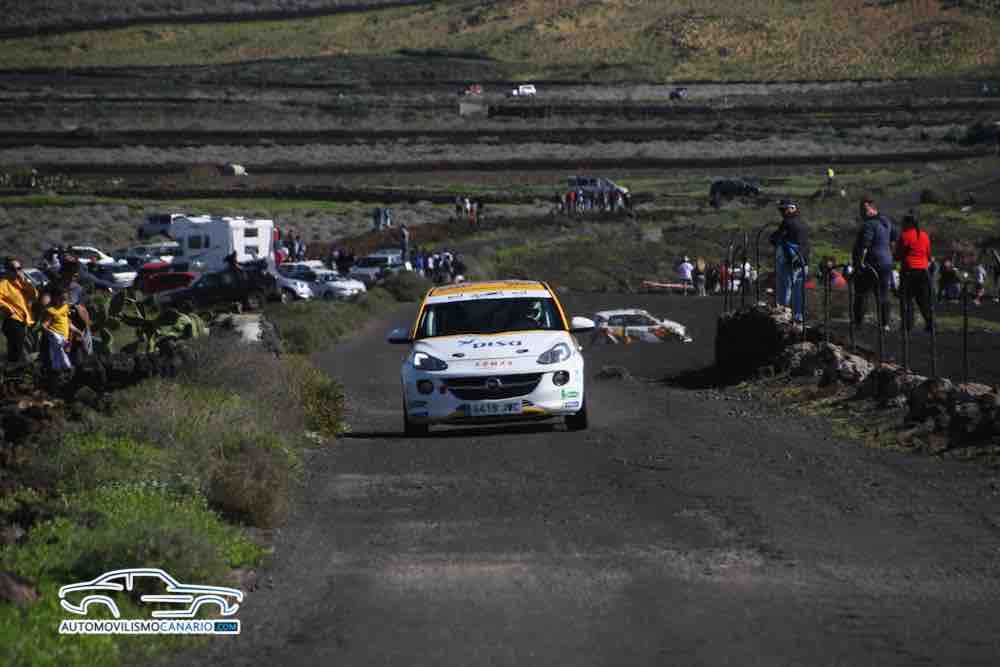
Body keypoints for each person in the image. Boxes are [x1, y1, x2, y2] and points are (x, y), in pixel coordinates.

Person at [852, 196, 897, 330]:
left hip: (871, 263)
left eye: (863, 209)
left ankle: (858, 323)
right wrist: (890, 256)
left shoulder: (869, 224)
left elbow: (865, 245)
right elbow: (894, 240)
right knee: (883, 294)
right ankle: (885, 324)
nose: (861, 213)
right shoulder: (886, 222)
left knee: (861, 292)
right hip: (886, 262)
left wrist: (860, 263)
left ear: (869, 208)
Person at [770, 199, 810, 322]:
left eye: (784, 209)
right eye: (781, 210)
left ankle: (783, 317)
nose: (782, 212)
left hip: (790, 261)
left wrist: (774, 239)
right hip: (803, 262)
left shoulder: (787, 223)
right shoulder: (803, 223)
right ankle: (798, 318)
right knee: (799, 292)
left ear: (792, 209)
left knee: (784, 290)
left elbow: (775, 238)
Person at [894, 212, 933, 333]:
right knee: (923, 300)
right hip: (923, 271)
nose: (901, 225)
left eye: (903, 223)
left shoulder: (905, 236)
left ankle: (907, 326)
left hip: (909, 271)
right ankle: (930, 324)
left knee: (906, 300)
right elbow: (928, 255)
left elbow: (898, 255)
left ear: (907, 223)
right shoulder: (924, 235)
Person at [0, 258, 40, 364]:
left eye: (19, 268)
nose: (16, 271)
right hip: (13, 321)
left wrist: (24, 281)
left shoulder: (22, 283)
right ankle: (12, 369)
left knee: (30, 350)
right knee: (17, 352)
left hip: (26, 321)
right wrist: (7, 308)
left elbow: (34, 296)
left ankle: (16, 369)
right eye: (13, 269)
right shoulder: (4, 284)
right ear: (7, 270)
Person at [41, 287, 79, 372]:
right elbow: (45, 324)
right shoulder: (51, 311)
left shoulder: (65, 308)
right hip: (55, 335)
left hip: (64, 336)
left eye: (65, 299)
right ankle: (66, 367)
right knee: (59, 350)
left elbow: (68, 322)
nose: (63, 301)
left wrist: (77, 331)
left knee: (58, 353)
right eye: (61, 299)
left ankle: (59, 369)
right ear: (55, 298)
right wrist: (49, 332)